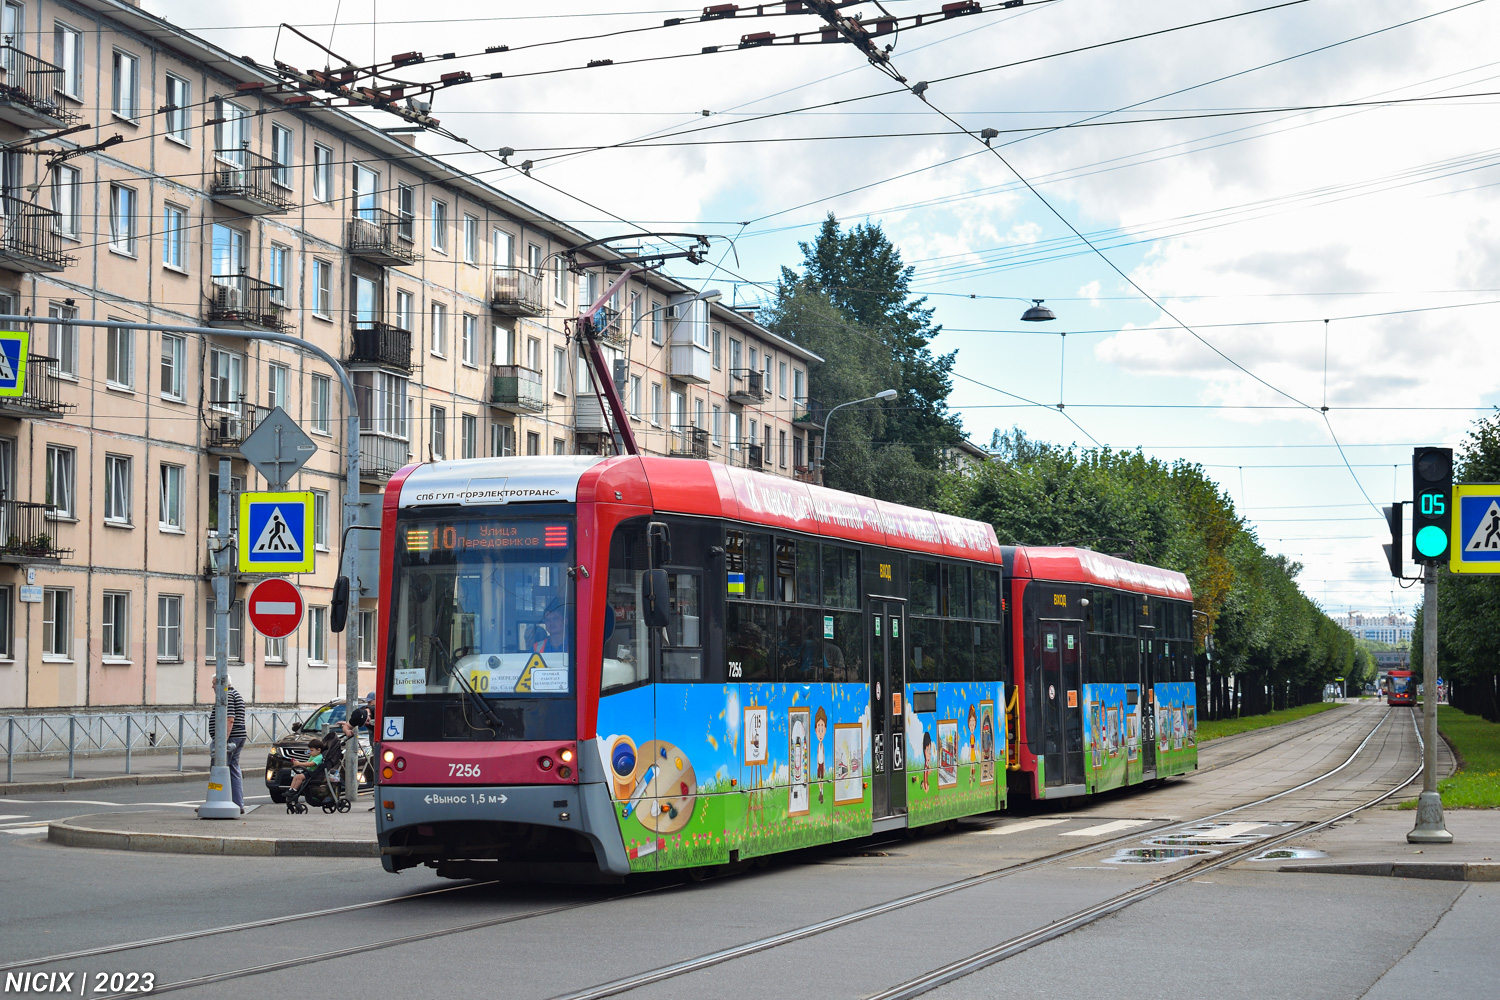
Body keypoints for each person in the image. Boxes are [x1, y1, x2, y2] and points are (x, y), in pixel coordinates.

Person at [207, 675, 248, 813]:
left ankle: (216, 800)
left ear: (220, 683)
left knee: (218, 769)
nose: (212, 686)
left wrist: (222, 742)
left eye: (214, 683)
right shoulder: (235, 694)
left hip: (230, 739)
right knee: (232, 770)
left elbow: (229, 719)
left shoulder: (228, 695)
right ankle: (237, 803)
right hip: (237, 737)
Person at [285, 738, 326, 804]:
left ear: (318, 750)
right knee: (296, 776)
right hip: (308, 772)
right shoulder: (312, 756)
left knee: (300, 777)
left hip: (313, 774)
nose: (310, 752)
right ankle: (291, 789)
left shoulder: (319, 757)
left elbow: (310, 764)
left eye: (312, 750)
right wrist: (298, 763)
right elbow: (307, 763)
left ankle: (295, 790)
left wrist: (299, 764)